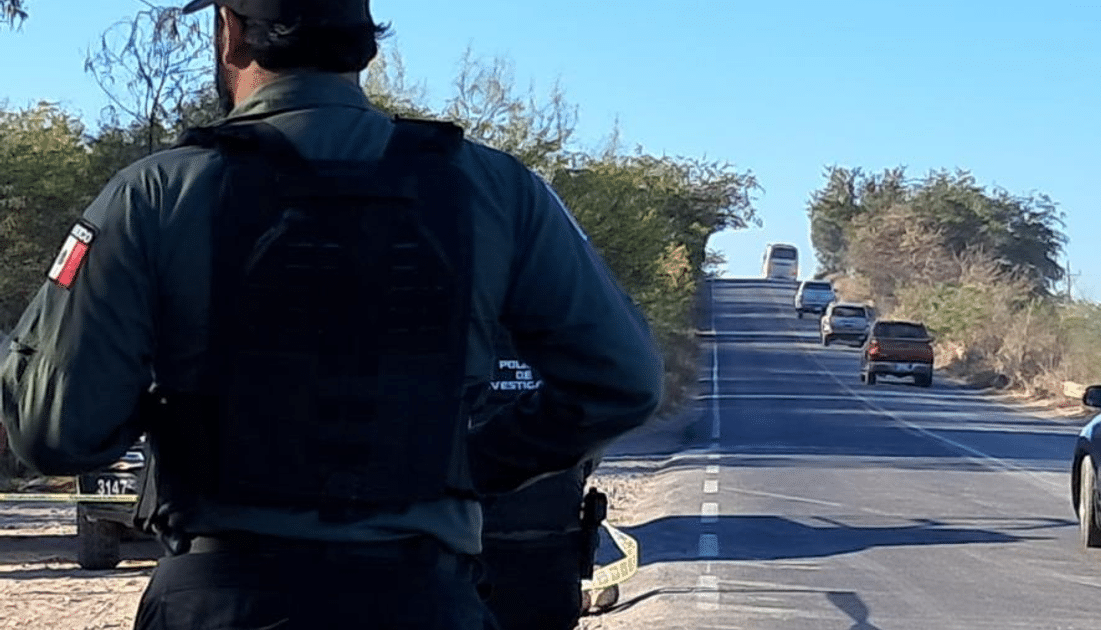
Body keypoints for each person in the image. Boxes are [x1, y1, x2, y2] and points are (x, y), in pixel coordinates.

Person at [0, 1, 664, 628]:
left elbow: (54, 433)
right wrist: (465, 462)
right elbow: (621, 381)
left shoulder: (155, 193)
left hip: (223, 594)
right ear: (366, 46)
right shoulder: (495, 187)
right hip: (425, 598)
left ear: (230, 34)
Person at [476, 343, 604, 630]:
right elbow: (634, 391)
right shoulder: (568, 324)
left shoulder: (450, 323)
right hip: (552, 566)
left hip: (461, 565)